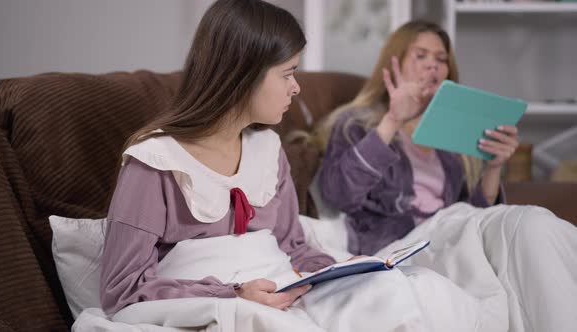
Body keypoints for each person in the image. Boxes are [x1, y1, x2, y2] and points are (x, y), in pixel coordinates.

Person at [96, 4, 491, 332]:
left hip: (286, 288)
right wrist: (232, 293)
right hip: (237, 303)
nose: (296, 88)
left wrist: (342, 270)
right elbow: (122, 289)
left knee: (417, 289)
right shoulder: (156, 163)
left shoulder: (268, 150)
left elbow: (294, 246)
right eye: (288, 74)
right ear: (242, 75)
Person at [314, 20, 577, 332]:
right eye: (421, 55)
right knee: (530, 225)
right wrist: (392, 120)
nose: (433, 66)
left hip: (452, 236)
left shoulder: (452, 134)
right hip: (401, 246)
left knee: (536, 226)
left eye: (441, 59)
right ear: (394, 61)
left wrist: (494, 166)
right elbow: (339, 194)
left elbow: (476, 219)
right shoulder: (356, 124)